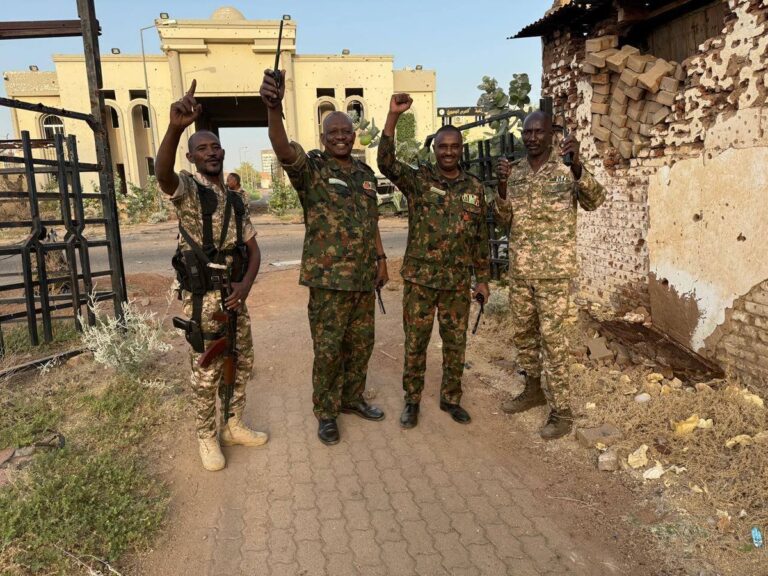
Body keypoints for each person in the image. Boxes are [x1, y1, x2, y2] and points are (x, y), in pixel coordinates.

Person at [259, 69, 387, 446]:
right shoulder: (312, 170)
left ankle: (352, 398)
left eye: (346, 132)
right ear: (323, 138)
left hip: (364, 279)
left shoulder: (365, 173)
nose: (341, 137)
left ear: (353, 134)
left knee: (361, 344)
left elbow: (372, 220)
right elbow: (282, 147)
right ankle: (326, 412)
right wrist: (273, 108)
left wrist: (381, 260)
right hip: (329, 281)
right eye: (333, 133)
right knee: (329, 349)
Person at [155, 80, 268, 471]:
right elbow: (162, 173)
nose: (211, 153)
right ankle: (206, 436)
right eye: (202, 148)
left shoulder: (236, 198)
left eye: (215, 147)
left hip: (235, 294)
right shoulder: (186, 188)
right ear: (191, 156)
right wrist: (175, 127)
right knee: (206, 368)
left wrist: (246, 285)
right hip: (203, 297)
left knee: (241, 359)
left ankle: (233, 423)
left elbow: (253, 249)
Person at [378, 93, 491, 430]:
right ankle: (412, 400)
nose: (448, 152)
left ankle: (451, 398)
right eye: (442, 147)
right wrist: (392, 117)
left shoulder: (474, 188)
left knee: (456, 345)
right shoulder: (419, 181)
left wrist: (482, 278)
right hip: (420, 282)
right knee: (415, 343)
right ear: (435, 150)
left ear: (461, 149)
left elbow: (480, 239)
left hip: (456, 283)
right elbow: (385, 163)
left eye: (454, 147)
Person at [495, 109, 606, 440]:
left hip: (553, 275)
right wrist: (500, 188)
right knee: (525, 336)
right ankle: (533, 391)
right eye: (526, 132)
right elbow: (503, 221)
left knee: (554, 342)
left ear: (550, 134)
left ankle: (562, 411)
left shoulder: (566, 168)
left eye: (538, 132)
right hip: (520, 272)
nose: (531, 138)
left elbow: (595, 200)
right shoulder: (514, 173)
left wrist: (579, 169)